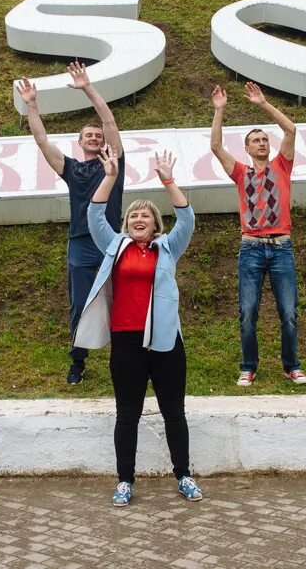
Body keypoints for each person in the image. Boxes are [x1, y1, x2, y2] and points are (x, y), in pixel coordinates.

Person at [68, 144, 203, 507]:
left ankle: (183, 475)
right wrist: (110, 176)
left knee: (174, 412)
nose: (138, 219)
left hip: (165, 344)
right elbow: (95, 214)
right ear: (126, 225)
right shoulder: (115, 246)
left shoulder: (168, 248)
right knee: (127, 414)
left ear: (157, 225)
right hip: (125, 342)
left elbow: (187, 219)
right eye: (133, 217)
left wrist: (169, 181)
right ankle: (125, 480)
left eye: (145, 216)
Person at [16, 62, 125, 385]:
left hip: (111, 242)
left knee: (120, 302)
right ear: (79, 142)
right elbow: (41, 140)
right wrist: (32, 105)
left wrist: (88, 87)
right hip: (80, 242)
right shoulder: (72, 169)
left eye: (97, 135)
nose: (94, 136)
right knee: (80, 303)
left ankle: (124, 359)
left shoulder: (114, 162)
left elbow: (109, 119)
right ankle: (78, 361)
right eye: (88, 135)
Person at [210, 82, 306, 387]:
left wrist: (263, 104)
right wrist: (219, 110)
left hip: (281, 247)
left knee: (289, 312)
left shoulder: (282, 165)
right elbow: (215, 147)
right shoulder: (241, 172)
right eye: (256, 140)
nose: (262, 143)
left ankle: (291, 366)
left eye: (265, 139)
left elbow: (291, 129)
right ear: (248, 148)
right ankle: (248, 367)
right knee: (248, 312)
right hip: (251, 248)